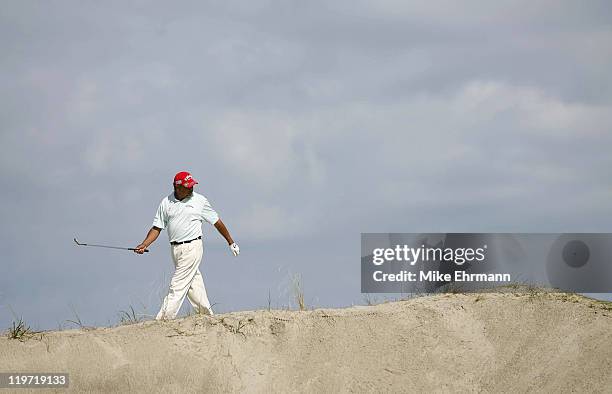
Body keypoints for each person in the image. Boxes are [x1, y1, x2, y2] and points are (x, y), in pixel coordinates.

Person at [134, 171, 239, 320]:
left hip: (193, 247)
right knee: (193, 285)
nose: (191, 189)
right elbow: (157, 227)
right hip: (175, 249)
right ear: (176, 187)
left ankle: (163, 320)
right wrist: (144, 244)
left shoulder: (200, 201)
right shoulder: (166, 202)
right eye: (187, 187)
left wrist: (231, 242)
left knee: (177, 285)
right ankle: (207, 317)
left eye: (191, 186)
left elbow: (216, 221)